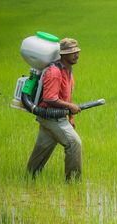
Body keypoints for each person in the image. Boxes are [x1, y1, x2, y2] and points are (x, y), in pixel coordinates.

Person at [27, 38, 83, 181]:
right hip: (50, 117)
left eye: (77, 51)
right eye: (72, 52)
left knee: (41, 150)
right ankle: (73, 183)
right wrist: (70, 107)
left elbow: (66, 96)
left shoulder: (68, 71)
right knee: (74, 143)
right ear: (63, 54)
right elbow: (50, 98)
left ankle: (29, 178)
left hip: (55, 118)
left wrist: (71, 117)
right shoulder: (54, 72)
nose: (76, 54)